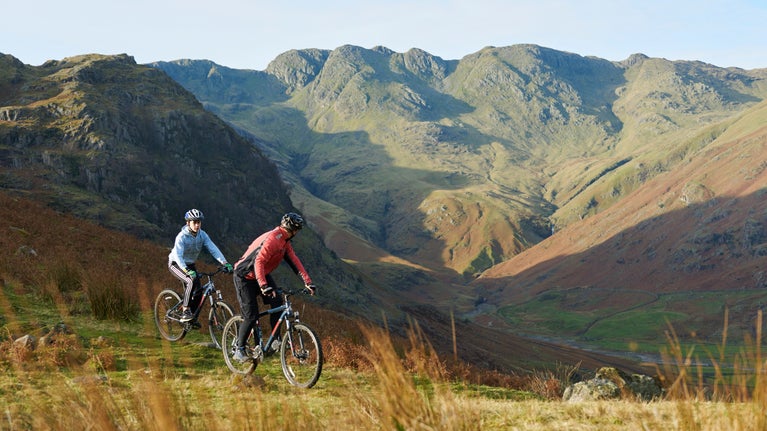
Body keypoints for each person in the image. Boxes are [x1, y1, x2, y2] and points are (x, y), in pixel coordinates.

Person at [232, 212, 316, 362]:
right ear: (292, 229)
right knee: (251, 316)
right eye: (297, 229)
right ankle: (239, 349)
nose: (297, 233)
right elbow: (259, 262)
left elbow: (294, 261)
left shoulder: (285, 241)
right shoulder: (273, 239)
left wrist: (308, 281)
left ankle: (275, 340)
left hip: (261, 274)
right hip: (244, 276)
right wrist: (263, 285)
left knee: (277, 301)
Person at [168, 209, 233, 322]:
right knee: (190, 281)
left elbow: (213, 249)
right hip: (176, 264)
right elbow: (178, 256)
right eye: (194, 222)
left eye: (199, 222)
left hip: (190, 264)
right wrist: (186, 270)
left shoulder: (202, 235)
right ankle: (185, 311)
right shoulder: (181, 237)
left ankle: (191, 318)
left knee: (198, 291)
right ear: (188, 223)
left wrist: (224, 262)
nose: (197, 225)